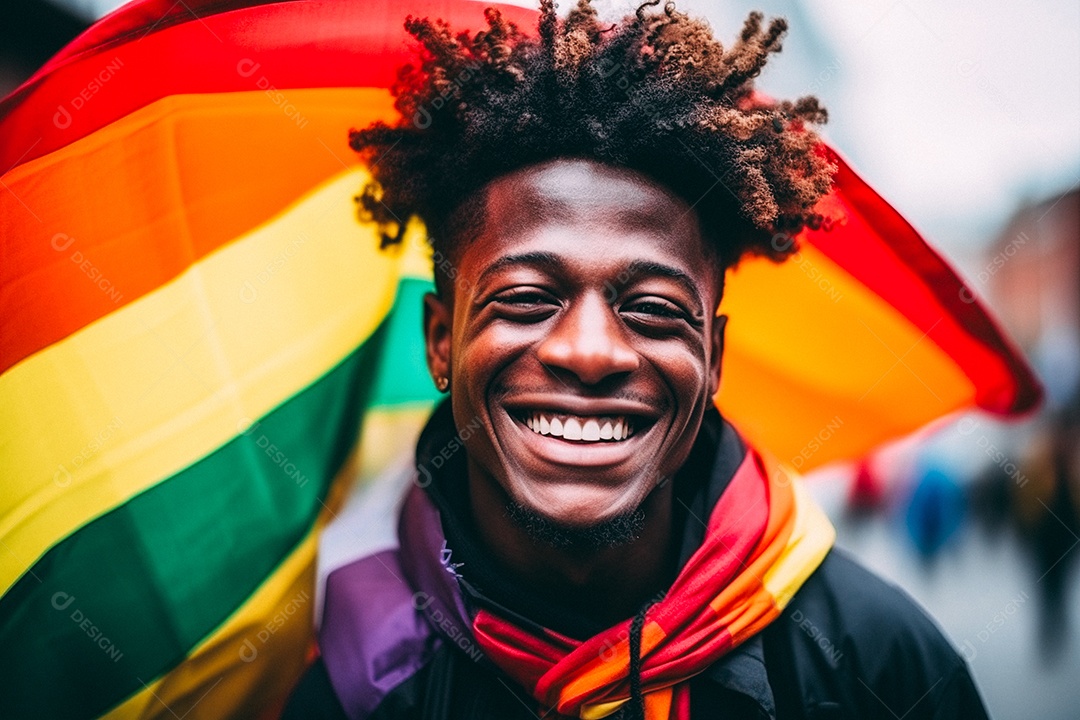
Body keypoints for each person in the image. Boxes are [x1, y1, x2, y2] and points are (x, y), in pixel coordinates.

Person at [284, 1, 990, 717]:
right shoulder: (352, 685)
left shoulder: (881, 665)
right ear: (442, 340)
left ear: (713, 356)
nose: (590, 352)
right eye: (527, 298)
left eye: (652, 308)